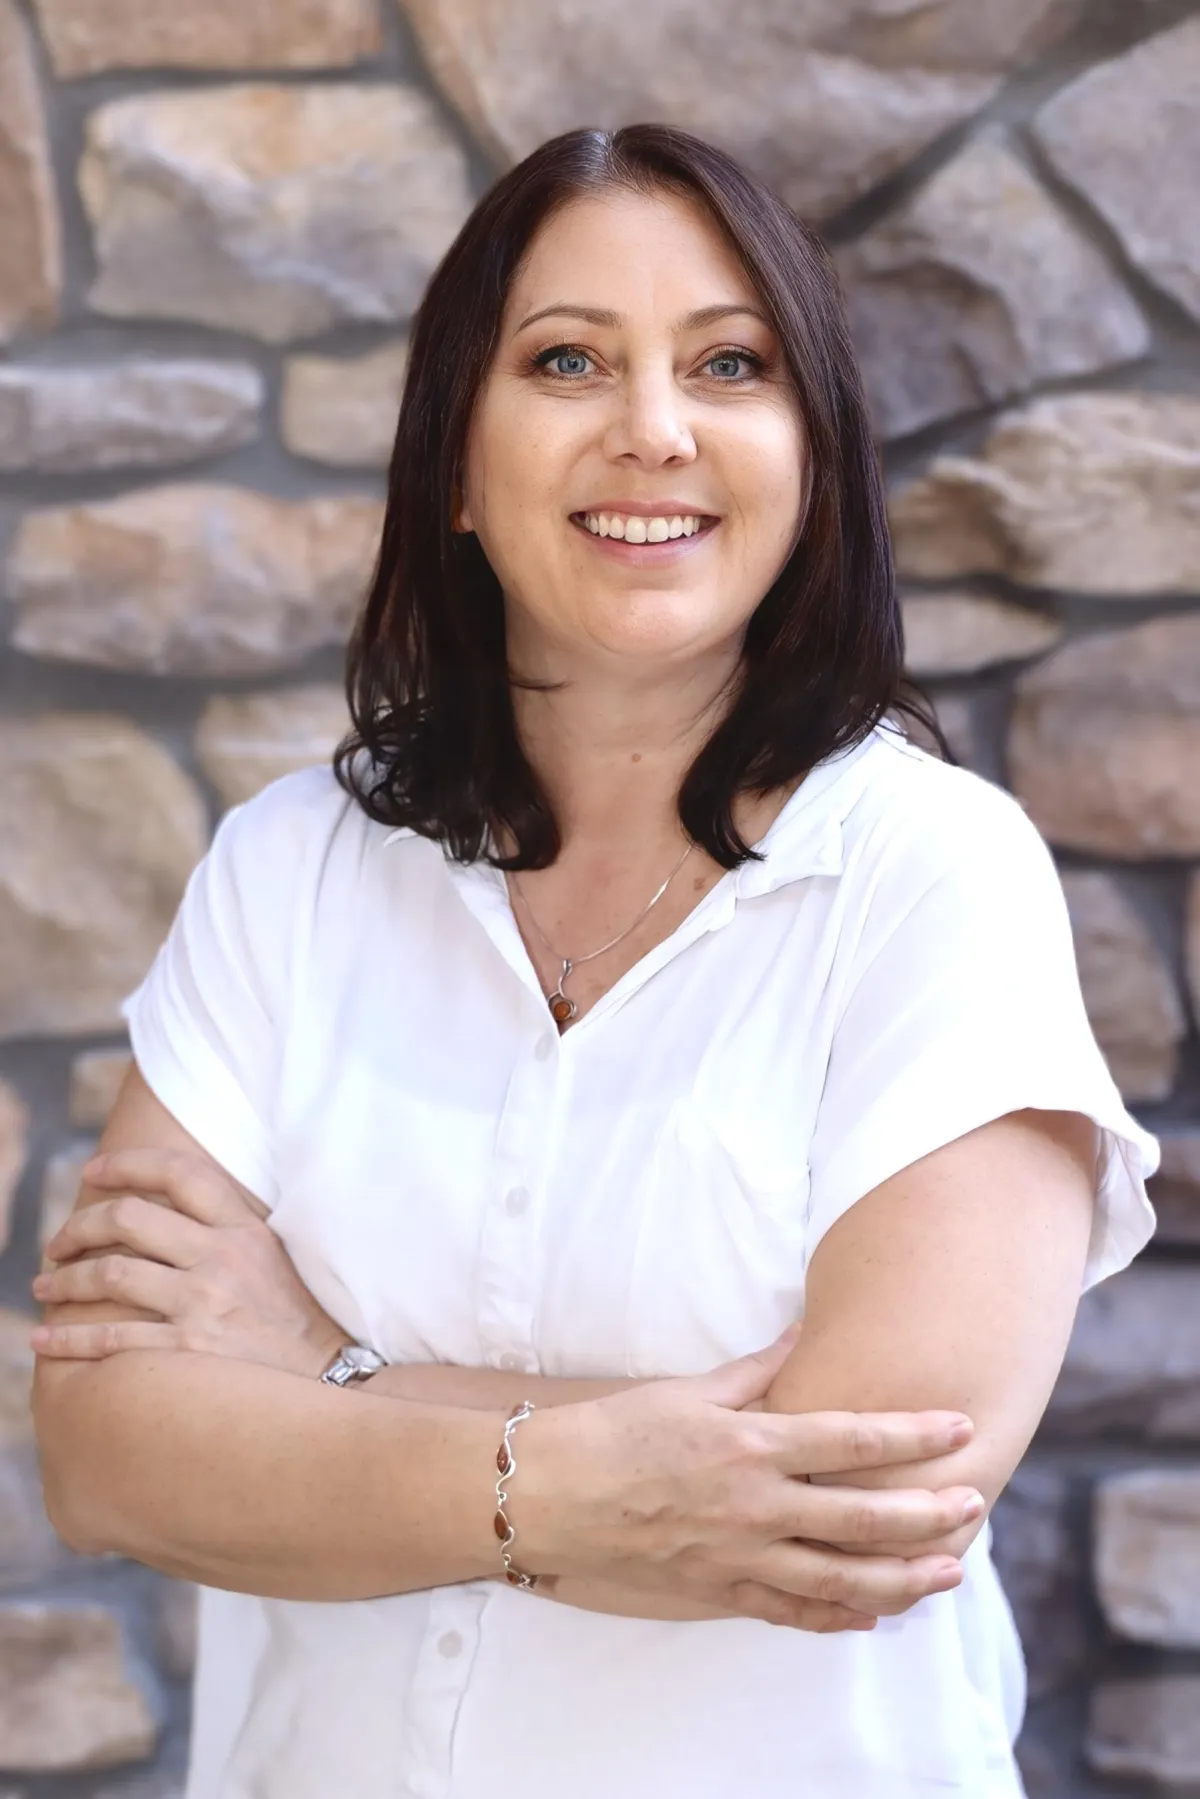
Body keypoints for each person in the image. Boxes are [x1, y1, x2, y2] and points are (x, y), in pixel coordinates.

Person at [31, 124, 1158, 1799]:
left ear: (810, 456)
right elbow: (110, 1453)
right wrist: (595, 1479)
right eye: (568, 359)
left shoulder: (934, 876)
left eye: (729, 363)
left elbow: (861, 1507)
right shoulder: (293, 866)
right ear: (461, 470)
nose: (654, 428)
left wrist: (316, 1372)